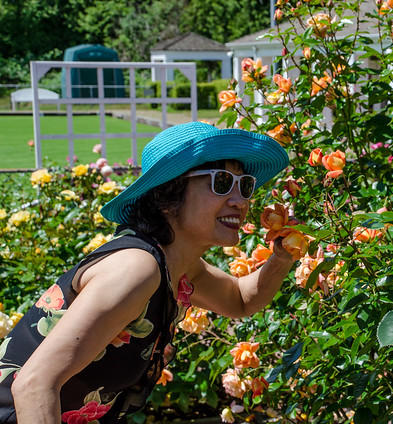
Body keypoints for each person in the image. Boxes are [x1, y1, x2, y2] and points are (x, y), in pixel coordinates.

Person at [0, 121, 294, 423]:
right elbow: (34, 385)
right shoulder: (135, 269)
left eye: (244, 185)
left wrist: (282, 258)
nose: (240, 200)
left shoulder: (177, 266)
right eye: (220, 182)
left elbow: (240, 299)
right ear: (168, 196)